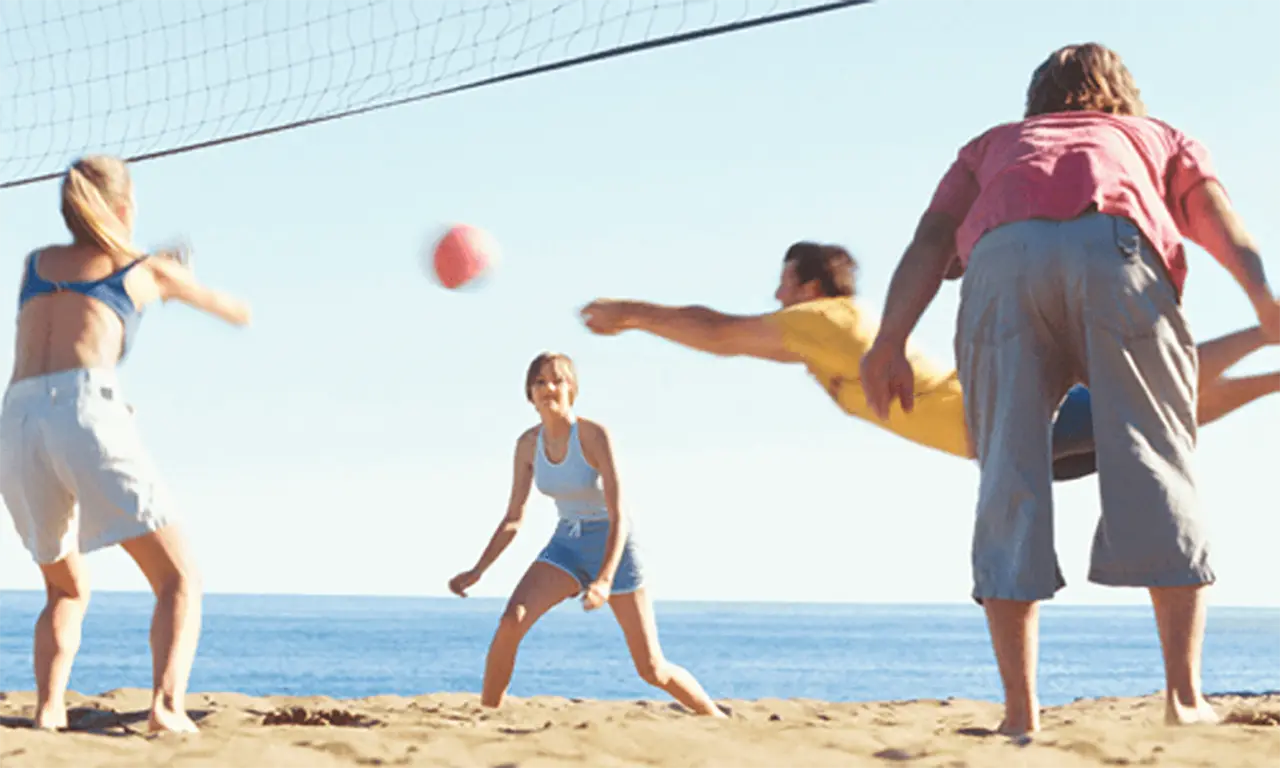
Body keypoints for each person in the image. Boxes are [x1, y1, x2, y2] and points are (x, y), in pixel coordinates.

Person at [858, 43, 1280, 734]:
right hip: (1116, 250)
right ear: (1120, 94)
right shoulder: (1155, 135)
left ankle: (1020, 717)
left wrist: (890, 340)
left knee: (1008, 474)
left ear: (1038, 100)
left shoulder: (992, 145)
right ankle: (1183, 699)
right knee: (1155, 459)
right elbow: (1216, 220)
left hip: (1000, 263)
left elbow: (932, 241)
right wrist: (1264, 299)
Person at [578, 241, 1280, 481]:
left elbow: (721, 332)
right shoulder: (830, 335)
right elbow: (735, 340)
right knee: (1162, 414)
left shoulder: (822, 320)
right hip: (1002, 440)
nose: (775, 295)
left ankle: (1266, 337)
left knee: (1156, 388)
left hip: (1009, 417)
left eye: (784, 281)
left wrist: (632, 315)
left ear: (811, 286)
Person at [0, 155, 252, 733]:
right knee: (178, 578)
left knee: (64, 588)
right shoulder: (141, 268)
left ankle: (47, 711)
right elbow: (232, 311)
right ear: (122, 206)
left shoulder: (33, 264)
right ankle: (166, 706)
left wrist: (152, 270)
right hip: (85, 411)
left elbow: (77, 303)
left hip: (16, 423)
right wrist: (169, 274)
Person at [447, 352, 725, 717]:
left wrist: (605, 580)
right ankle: (487, 716)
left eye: (559, 380)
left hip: (615, 546)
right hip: (566, 544)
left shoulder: (594, 436)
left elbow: (618, 513)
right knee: (510, 621)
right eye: (541, 382)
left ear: (572, 389)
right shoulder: (528, 445)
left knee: (651, 668)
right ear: (529, 394)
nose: (550, 388)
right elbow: (514, 517)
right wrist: (478, 570)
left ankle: (714, 718)